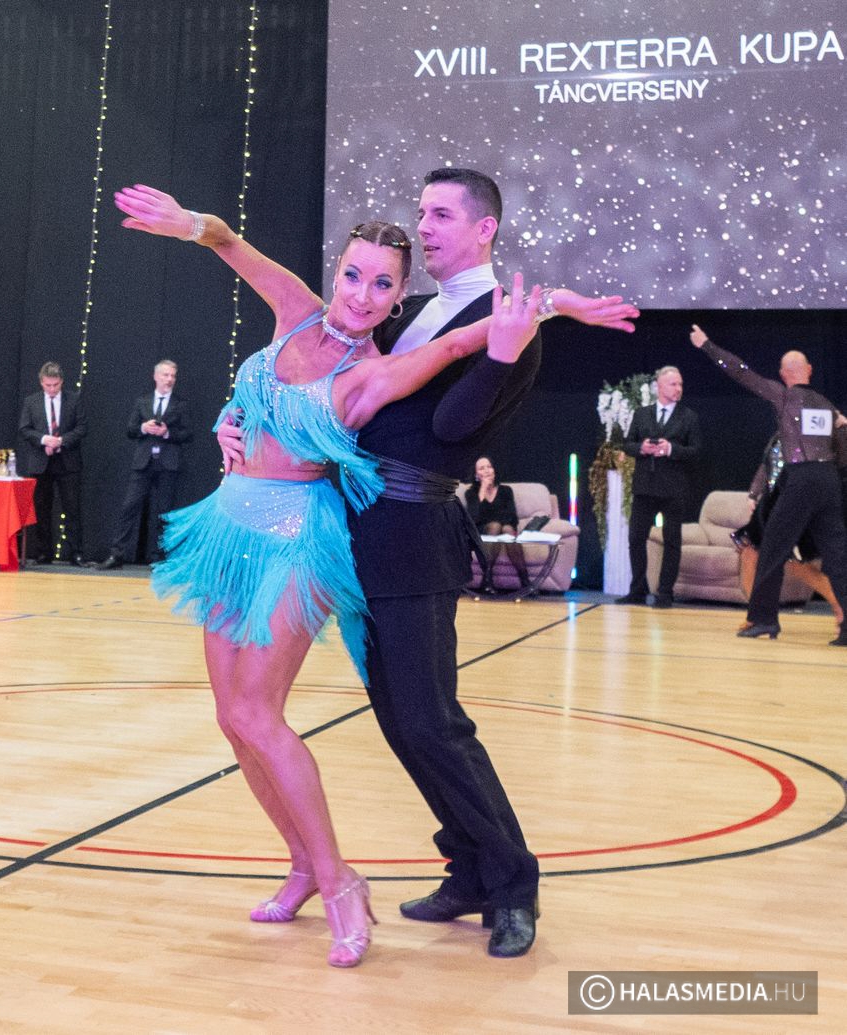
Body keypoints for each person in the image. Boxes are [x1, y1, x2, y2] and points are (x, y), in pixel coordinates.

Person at [113, 181, 548, 968]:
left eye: (383, 283)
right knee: (246, 717)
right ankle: (326, 866)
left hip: (324, 534)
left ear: (397, 298)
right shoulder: (316, 312)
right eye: (353, 274)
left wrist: (546, 316)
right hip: (237, 525)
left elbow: (454, 373)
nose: (362, 292)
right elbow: (231, 246)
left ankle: (377, 878)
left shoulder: (383, 364)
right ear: (337, 269)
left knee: (350, 717)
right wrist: (230, 412)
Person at [219, 166, 638, 958]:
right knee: (401, 722)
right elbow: (317, 386)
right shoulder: (405, 309)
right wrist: (233, 420)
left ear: (484, 228)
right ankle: (468, 868)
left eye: (442, 214)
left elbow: (451, 428)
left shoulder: (509, 327)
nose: (426, 226)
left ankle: (512, 882)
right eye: (422, 212)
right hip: (350, 531)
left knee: (433, 722)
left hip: (415, 534)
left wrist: (505, 354)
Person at [690, 325, 847, 646]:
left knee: (772, 548)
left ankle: (763, 619)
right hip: (829, 481)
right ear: (809, 371)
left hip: (801, 479)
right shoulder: (828, 406)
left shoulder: (784, 396)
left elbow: (740, 371)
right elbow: (843, 453)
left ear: (783, 374)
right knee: (838, 555)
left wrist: (707, 345)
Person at [732, 435, 843, 629]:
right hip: (771, 504)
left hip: (796, 503)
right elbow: (766, 466)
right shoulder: (780, 435)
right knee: (750, 552)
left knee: (792, 563)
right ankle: (756, 615)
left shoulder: (817, 435)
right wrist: (753, 494)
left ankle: (839, 605)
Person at [615, 365, 702, 608]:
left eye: (680, 384)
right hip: (645, 486)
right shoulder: (642, 414)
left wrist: (670, 449)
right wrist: (642, 448)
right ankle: (638, 590)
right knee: (636, 538)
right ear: (659, 387)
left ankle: (665, 592)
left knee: (671, 541)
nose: (678, 389)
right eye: (673, 384)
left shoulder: (689, 417)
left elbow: (696, 451)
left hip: (673, 488)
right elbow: (628, 444)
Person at [98, 360, 193, 569]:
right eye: (166, 375)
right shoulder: (143, 401)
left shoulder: (180, 404)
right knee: (129, 506)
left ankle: (161, 556)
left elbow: (188, 434)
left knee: (165, 510)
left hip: (167, 463)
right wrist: (144, 428)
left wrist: (167, 432)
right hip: (144, 462)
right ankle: (117, 553)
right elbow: (130, 430)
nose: (169, 379)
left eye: (173, 376)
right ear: (156, 376)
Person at [17, 361, 87, 565]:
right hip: (41, 461)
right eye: (48, 385)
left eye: (56, 385)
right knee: (42, 508)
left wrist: (61, 441)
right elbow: (25, 429)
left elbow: (82, 428)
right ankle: (43, 552)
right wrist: (43, 440)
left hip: (67, 461)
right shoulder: (31, 401)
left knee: (72, 508)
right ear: (41, 382)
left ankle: (75, 552)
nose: (52, 389)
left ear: (61, 382)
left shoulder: (74, 400)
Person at [464, 455, 529, 592]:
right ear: (476, 475)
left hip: (505, 528)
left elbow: (512, 517)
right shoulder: (471, 493)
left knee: (507, 529)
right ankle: (487, 579)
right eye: (482, 468)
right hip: (481, 532)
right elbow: (473, 519)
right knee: (495, 526)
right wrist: (482, 490)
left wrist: (496, 520)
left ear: (494, 470)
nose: (487, 470)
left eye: (489, 467)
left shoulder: (506, 491)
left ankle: (525, 581)